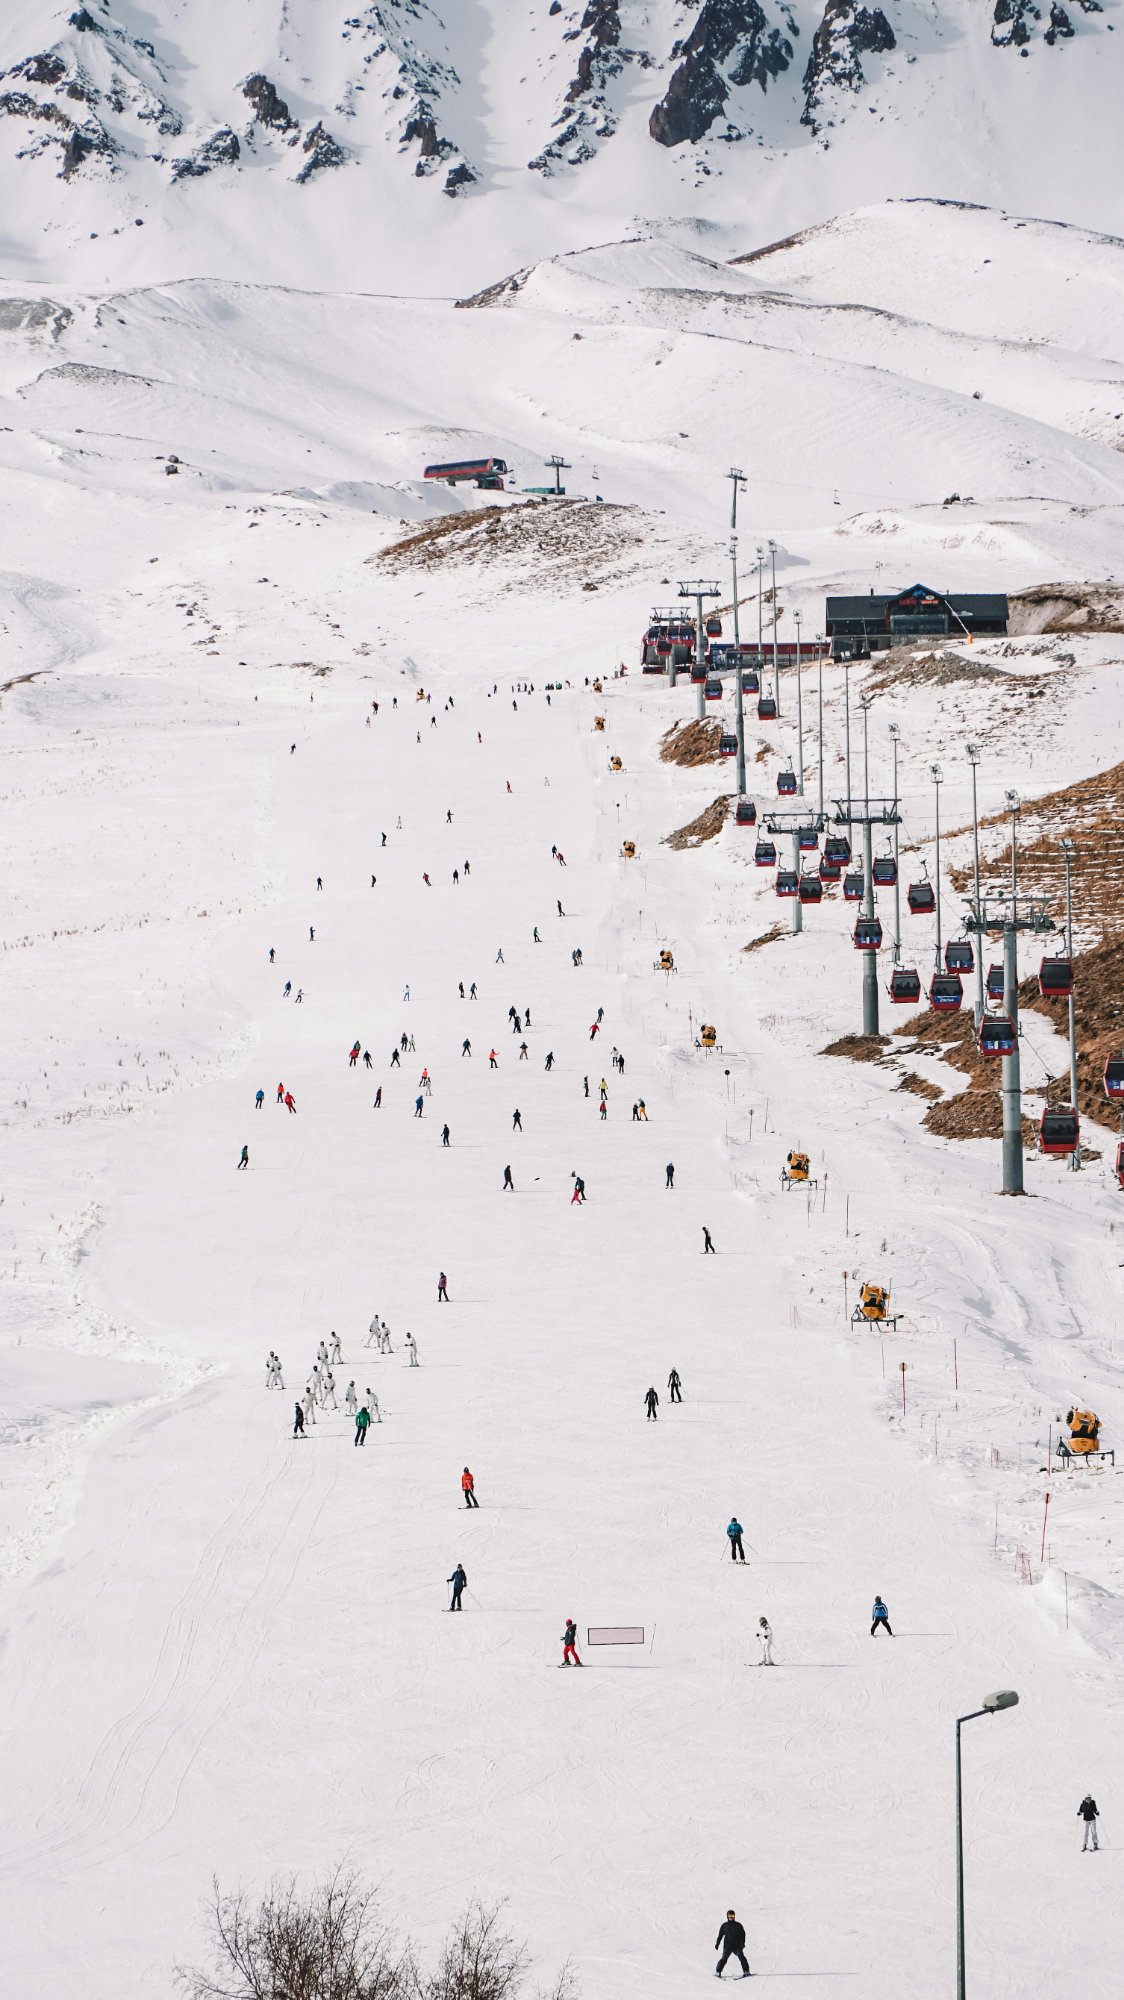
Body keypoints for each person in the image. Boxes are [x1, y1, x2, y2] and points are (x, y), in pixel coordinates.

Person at [714, 1911, 750, 1980]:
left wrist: (742, 1944)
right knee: (724, 1959)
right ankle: (718, 1972)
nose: (731, 1917)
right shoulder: (724, 1925)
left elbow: (743, 1935)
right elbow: (720, 1935)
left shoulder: (738, 1925)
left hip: (737, 1946)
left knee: (742, 1957)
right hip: (727, 1946)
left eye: (732, 1916)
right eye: (730, 1916)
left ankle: (746, 1971)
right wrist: (717, 1944)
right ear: (727, 1916)